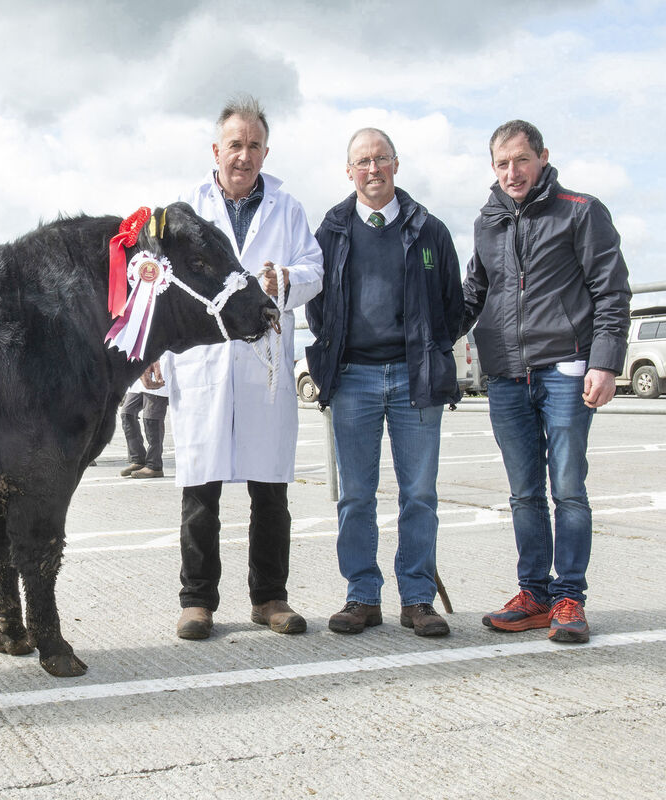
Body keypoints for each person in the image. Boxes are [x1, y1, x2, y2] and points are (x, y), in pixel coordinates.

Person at [161, 95, 323, 640]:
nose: (244, 155)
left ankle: (270, 597)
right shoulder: (186, 208)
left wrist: (286, 282)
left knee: (269, 486)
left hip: (264, 363)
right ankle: (197, 600)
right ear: (216, 149)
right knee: (200, 487)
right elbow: (163, 286)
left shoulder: (288, 207)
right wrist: (156, 356)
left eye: (254, 146)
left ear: (265, 151)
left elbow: (314, 270)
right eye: (235, 145)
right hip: (204, 361)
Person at [462, 120, 631, 643]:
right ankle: (533, 594)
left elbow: (611, 292)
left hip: (566, 369)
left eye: (521, 160)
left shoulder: (580, 211)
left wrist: (605, 362)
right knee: (523, 493)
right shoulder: (487, 221)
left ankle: (569, 600)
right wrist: (425, 330)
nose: (512, 172)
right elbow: (476, 291)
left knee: (568, 488)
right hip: (507, 376)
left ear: (542, 158)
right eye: (502, 164)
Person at [306, 128, 464, 637]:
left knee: (419, 493)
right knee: (356, 494)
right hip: (353, 379)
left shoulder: (429, 230)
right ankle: (362, 596)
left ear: (396, 165)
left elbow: (452, 305)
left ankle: (417, 598)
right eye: (362, 162)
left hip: (415, 379)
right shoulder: (330, 231)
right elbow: (317, 304)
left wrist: (427, 351)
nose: (372, 169)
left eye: (380, 159)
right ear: (348, 172)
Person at [119, 361, 169, 479]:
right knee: (127, 413)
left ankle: (154, 465)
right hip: (141, 368)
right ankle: (138, 459)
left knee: (151, 419)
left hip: (160, 365)